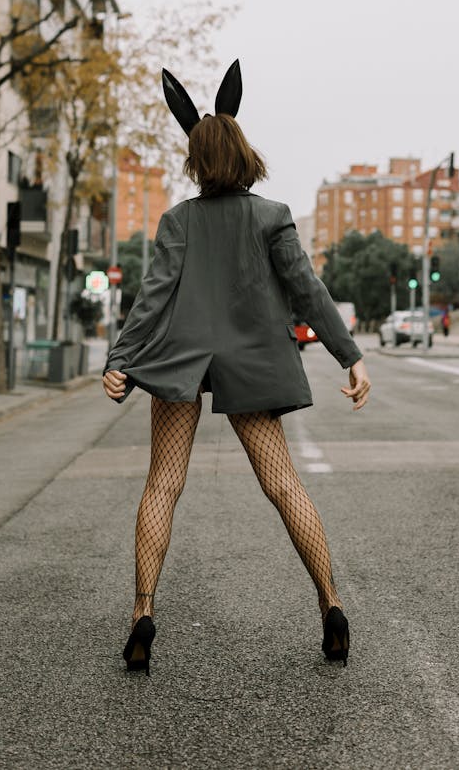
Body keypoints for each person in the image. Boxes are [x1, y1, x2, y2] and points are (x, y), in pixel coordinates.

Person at [102, 61, 371, 676]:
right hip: (251, 362)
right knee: (283, 486)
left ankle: (143, 612)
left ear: (196, 160)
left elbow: (153, 298)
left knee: (162, 486)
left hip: (180, 361)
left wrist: (120, 360)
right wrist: (349, 355)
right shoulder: (272, 215)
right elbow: (307, 290)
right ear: (243, 148)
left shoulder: (178, 221)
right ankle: (330, 604)